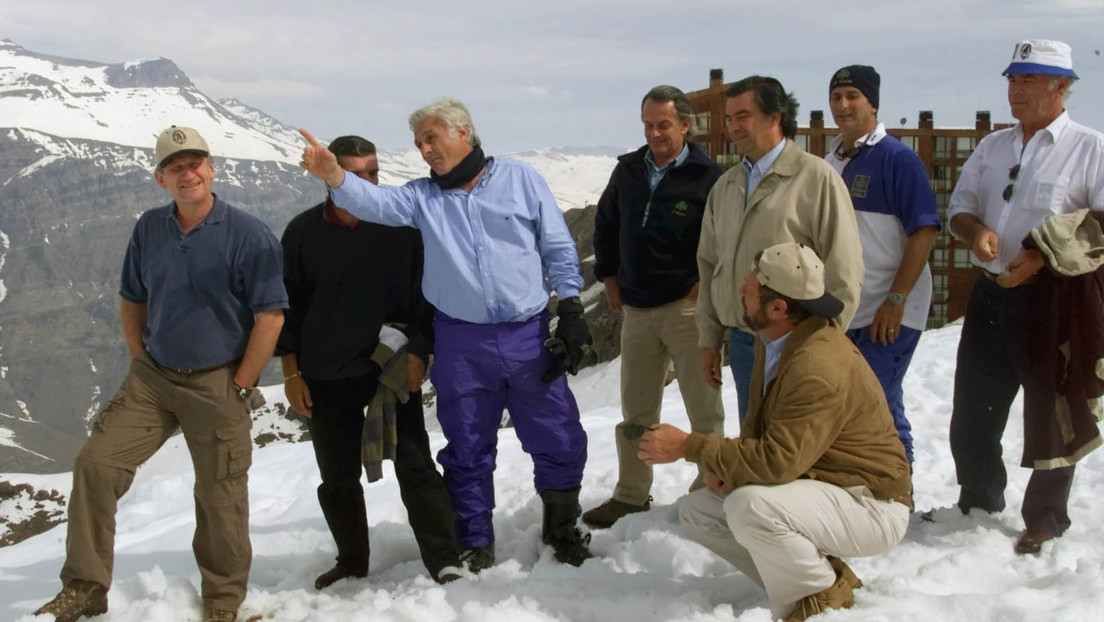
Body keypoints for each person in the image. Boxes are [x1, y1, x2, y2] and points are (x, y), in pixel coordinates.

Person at [297, 98, 593, 570]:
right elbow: (371, 201)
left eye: (431, 139)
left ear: (464, 133)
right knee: (467, 441)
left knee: (556, 432)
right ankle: (474, 540)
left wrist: (573, 306)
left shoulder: (520, 179)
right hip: (460, 341)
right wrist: (334, 175)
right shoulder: (421, 198)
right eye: (419, 144)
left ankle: (561, 527)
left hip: (527, 334)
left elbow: (556, 244)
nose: (424, 150)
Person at [35, 127, 287, 622]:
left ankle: (222, 601)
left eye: (195, 163)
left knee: (220, 495)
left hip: (218, 379)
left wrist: (242, 384)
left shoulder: (247, 233)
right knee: (96, 466)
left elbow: (271, 314)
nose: (187, 173)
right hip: (153, 379)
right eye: (176, 167)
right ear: (161, 179)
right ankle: (86, 588)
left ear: (212, 169)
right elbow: (133, 298)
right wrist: (139, 359)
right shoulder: (150, 229)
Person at [641, 242, 911, 622]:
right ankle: (825, 580)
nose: (742, 292)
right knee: (700, 511)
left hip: (871, 504)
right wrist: (729, 469)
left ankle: (815, 602)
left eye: (750, 289)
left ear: (779, 308)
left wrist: (691, 446)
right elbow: (763, 433)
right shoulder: (782, 340)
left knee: (748, 507)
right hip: (830, 484)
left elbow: (777, 462)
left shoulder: (816, 366)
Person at [933, 39, 1104, 555]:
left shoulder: (1090, 147)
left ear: (1062, 87)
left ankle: (1046, 521)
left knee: (1052, 412)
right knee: (973, 412)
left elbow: (1101, 224)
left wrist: (1042, 256)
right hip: (989, 298)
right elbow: (959, 207)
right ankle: (979, 501)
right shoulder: (992, 147)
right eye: (1012, 79)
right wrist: (975, 232)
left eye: (1029, 80)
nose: (1016, 89)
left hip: (1051, 304)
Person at [277, 135, 463, 588]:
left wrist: (419, 350)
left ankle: (444, 558)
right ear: (329, 176)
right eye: (355, 175)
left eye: (373, 173)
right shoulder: (302, 233)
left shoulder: (401, 230)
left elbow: (426, 297)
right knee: (337, 475)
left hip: (390, 367)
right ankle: (351, 561)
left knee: (415, 463)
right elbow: (288, 307)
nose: (367, 183)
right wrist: (291, 372)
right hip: (325, 372)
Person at [583, 85, 726, 529]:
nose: (655, 133)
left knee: (704, 408)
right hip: (638, 310)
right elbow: (606, 223)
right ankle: (631, 494)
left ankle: (710, 491)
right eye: (648, 124)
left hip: (687, 309)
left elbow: (725, 239)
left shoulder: (709, 176)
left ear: (685, 124)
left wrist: (704, 286)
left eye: (664, 124)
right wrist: (609, 276)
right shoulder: (628, 169)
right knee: (637, 410)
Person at [696, 75, 863, 422]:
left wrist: (826, 345)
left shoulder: (815, 178)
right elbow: (711, 265)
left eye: (743, 116)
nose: (733, 127)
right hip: (744, 342)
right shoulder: (725, 187)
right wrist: (709, 338)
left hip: (798, 341)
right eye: (729, 119)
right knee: (755, 442)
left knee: (796, 444)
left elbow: (844, 268)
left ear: (775, 117)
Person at [825, 65, 940, 465]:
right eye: (836, 97)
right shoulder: (831, 161)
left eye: (852, 96)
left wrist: (896, 298)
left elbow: (923, 232)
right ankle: (880, 486)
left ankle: (896, 489)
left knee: (872, 400)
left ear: (872, 102)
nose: (843, 106)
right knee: (873, 400)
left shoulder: (897, 159)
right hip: (848, 310)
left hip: (892, 308)